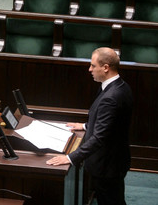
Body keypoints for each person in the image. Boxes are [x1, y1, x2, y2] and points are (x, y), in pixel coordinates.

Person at [46, 47, 133, 205]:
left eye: (93, 65)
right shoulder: (120, 86)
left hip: (108, 164)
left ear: (105, 67)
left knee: (111, 201)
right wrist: (85, 126)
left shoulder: (111, 97)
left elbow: (100, 137)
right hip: (115, 160)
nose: (89, 69)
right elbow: (111, 123)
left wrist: (70, 158)